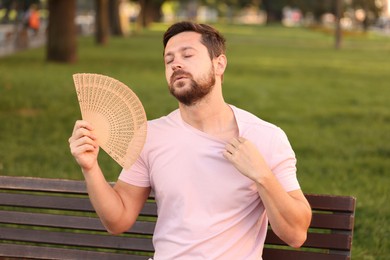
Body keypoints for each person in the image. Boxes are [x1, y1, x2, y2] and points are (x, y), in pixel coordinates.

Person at [69, 21, 312, 259]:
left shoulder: (265, 137)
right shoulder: (150, 136)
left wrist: (263, 176)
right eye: (169, 60)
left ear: (219, 64)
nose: (176, 64)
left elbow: (296, 234)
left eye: (187, 55)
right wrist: (90, 167)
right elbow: (118, 220)